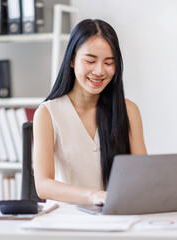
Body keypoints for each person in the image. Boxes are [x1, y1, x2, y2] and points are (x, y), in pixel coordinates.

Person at [33, 19, 147, 205]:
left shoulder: (128, 110)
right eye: (90, 61)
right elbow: (43, 186)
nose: (99, 71)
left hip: (118, 217)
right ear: (72, 60)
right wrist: (93, 196)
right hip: (69, 220)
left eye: (109, 63)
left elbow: (143, 176)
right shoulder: (48, 113)